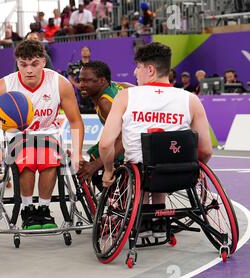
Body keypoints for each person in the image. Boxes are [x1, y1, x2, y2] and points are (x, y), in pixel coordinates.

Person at [99, 42, 212, 238]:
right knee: (162, 155)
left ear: (150, 69)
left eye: (138, 67)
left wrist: (108, 171)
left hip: (142, 173)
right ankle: (159, 221)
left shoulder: (126, 96)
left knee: (144, 163)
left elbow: (106, 143)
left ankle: (144, 222)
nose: (135, 72)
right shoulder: (190, 99)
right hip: (181, 172)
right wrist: (198, 169)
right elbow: (206, 150)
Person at [0, 39, 84, 230]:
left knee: (48, 157)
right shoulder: (5, 85)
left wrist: (77, 152)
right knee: (28, 156)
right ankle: (27, 209)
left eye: (34, 64)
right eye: (23, 65)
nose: (29, 70)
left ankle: (43, 209)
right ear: (17, 63)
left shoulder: (59, 83)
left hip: (49, 135)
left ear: (43, 61)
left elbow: (75, 120)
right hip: (18, 136)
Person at [77, 61, 133, 183]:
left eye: (87, 81)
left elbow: (123, 138)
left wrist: (95, 165)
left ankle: (116, 200)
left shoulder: (105, 102)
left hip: (132, 141)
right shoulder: (117, 85)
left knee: (95, 166)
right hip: (133, 134)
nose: (81, 85)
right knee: (95, 154)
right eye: (80, 80)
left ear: (102, 81)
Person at [67, 46, 94, 112]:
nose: (84, 52)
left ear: (90, 53)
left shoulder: (94, 65)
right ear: (81, 53)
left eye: (86, 50)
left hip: (92, 93)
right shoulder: (76, 65)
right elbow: (70, 76)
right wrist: (76, 84)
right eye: (83, 50)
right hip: (80, 93)